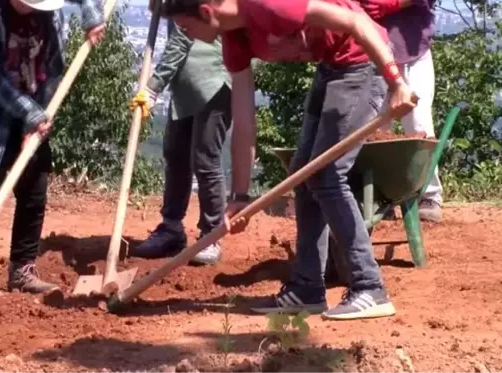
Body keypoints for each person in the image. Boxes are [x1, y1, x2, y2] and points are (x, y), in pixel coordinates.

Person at [155, 0, 417, 320]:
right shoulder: (233, 39)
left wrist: (396, 82)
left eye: (187, 28)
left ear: (208, 12)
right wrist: (239, 197)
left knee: (327, 175)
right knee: (305, 175)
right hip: (332, 66)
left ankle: (369, 286)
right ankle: (306, 289)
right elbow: (244, 121)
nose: (189, 36)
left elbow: (358, 23)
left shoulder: (268, 4)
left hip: (363, 60)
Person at [0, 0, 105, 302]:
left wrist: (92, 14)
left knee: (34, 191)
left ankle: (22, 270)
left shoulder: (46, 10)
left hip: (36, 105)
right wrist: (29, 113)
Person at [129, 20, 232, 265]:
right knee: (175, 155)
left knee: (205, 160)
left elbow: (183, 36)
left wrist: (154, 86)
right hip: (185, 86)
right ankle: (171, 228)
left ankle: (211, 235)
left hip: (214, 80)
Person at [359, 0, 442, 222]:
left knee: (419, 123)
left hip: (412, 48)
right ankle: (380, 197)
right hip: (372, 48)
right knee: (374, 128)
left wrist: (390, 3)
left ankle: (429, 194)